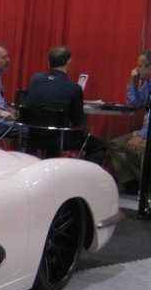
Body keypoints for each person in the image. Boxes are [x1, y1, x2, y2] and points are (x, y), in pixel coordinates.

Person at [24, 45, 106, 164]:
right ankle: (84, 173)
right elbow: (77, 121)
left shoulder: (35, 80)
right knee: (99, 146)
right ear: (69, 62)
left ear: (48, 62)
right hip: (59, 138)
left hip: (33, 136)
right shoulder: (74, 88)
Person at [108, 49, 151, 195]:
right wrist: (132, 81)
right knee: (115, 144)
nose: (136, 69)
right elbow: (134, 102)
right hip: (145, 131)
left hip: (147, 132)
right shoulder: (147, 85)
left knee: (135, 148)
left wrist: (141, 135)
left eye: (139, 66)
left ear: (149, 67)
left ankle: (145, 184)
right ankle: (132, 183)